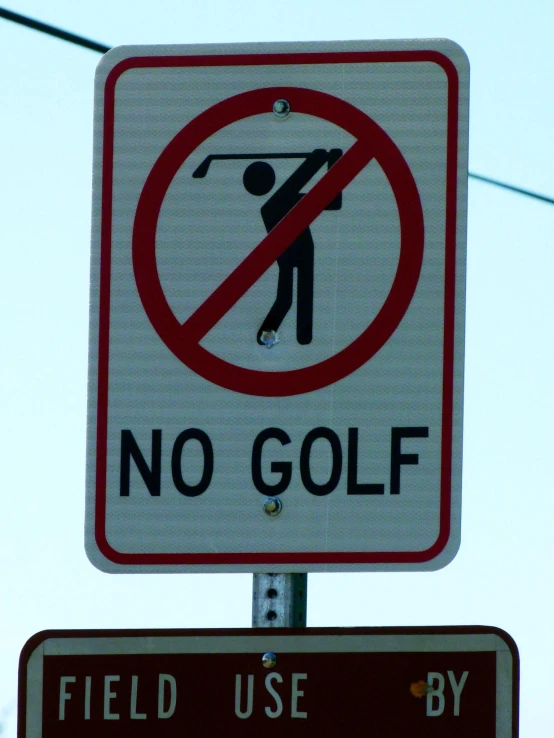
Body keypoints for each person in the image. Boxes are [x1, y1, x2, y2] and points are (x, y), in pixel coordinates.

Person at [242, 149, 342, 345]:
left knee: (289, 296)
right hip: (293, 250)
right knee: (287, 297)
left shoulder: (274, 206)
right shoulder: (273, 206)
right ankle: (278, 335)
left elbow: (333, 201)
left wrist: (327, 160)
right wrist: (323, 159)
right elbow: (332, 200)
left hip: (300, 248)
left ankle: (296, 336)